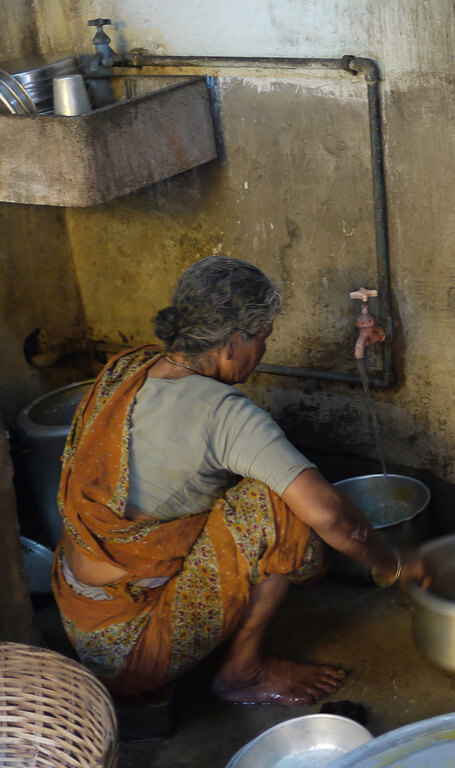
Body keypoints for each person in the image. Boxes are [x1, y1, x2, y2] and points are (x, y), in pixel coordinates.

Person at [52, 255, 429, 705]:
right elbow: (333, 517)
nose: (264, 351)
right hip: (134, 649)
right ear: (233, 343)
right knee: (279, 509)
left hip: (81, 617)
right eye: (263, 338)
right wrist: (394, 565)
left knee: (244, 490)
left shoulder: (127, 370)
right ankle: (243, 672)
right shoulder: (224, 413)